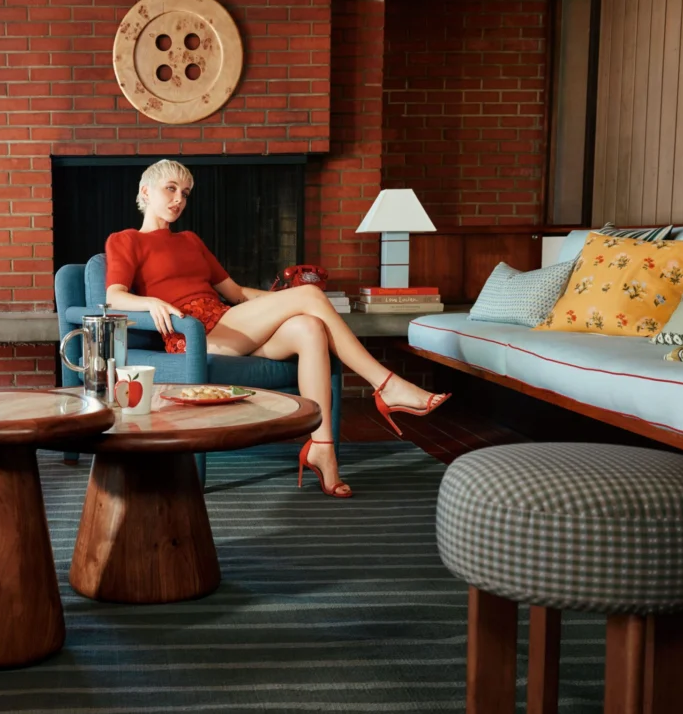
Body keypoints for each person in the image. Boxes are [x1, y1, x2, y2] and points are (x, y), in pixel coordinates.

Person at [103, 159, 450, 498]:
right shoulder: (125, 240)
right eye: (171, 189)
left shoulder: (191, 241)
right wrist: (150, 302)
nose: (179, 199)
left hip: (228, 322)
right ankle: (386, 385)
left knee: (310, 326)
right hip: (195, 334)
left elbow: (237, 294)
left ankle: (322, 449)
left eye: (185, 193)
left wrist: (289, 301)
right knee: (310, 295)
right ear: (146, 191)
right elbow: (113, 295)